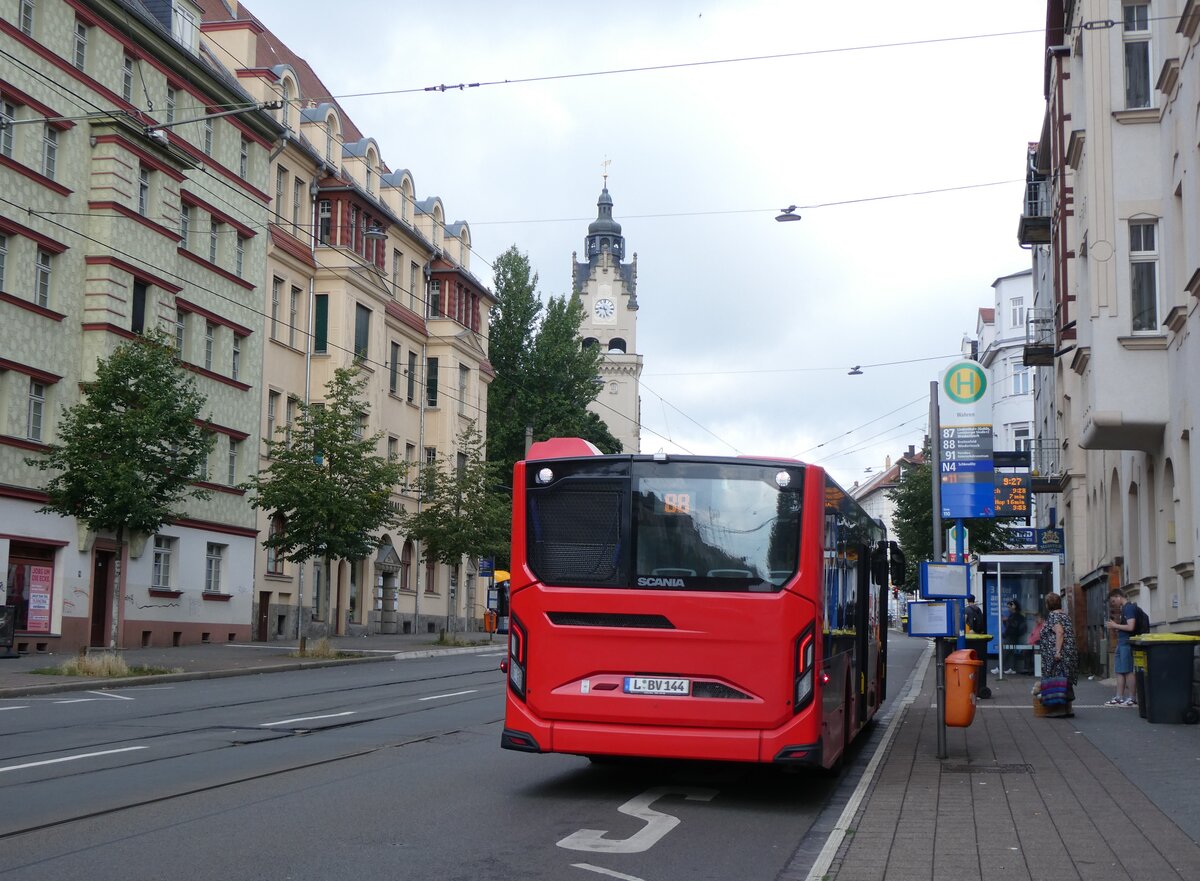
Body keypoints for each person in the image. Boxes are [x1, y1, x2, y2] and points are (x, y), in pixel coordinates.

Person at [1038, 592, 1077, 716]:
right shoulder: (1065, 616)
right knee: (1066, 679)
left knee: (1057, 678)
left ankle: (1058, 710)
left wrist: (1057, 652)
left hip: (1059, 654)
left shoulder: (1054, 616)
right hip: (1069, 653)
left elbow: (1059, 632)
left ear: (1048, 605)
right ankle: (1068, 709)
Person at [1104, 588, 1137, 707]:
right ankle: (1119, 697)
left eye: (1113, 601)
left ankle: (1132, 698)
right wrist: (1118, 627)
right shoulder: (1125, 608)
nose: (1113, 605)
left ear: (1118, 596)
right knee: (1119, 671)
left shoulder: (1128, 607)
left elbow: (1131, 627)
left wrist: (1115, 625)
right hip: (1122, 642)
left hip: (1126, 643)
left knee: (1128, 670)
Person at [1002, 599, 1027, 674]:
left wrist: (1007, 620)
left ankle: (1000, 667)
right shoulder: (1012, 615)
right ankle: (1011, 668)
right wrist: (1005, 621)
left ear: (1014, 606)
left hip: (1012, 636)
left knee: (1005, 652)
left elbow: (1014, 626)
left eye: (1010, 607)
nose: (1009, 609)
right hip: (1010, 635)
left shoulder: (1017, 616)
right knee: (1010, 652)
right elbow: (1008, 626)